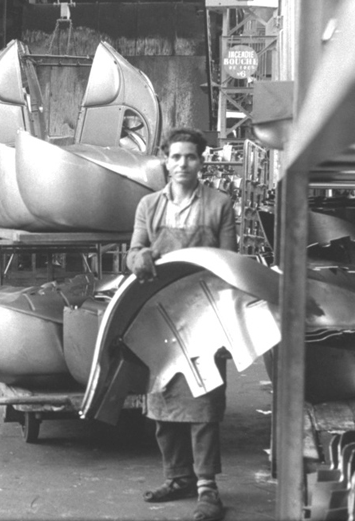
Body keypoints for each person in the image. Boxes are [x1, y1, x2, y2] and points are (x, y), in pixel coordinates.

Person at [126, 127, 237, 521]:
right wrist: (138, 258)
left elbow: (230, 263)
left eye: (190, 156)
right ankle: (178, 479)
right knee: (162, 401)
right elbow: (134, 250)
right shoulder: (148, 206)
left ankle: (208, 489)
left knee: (204, 404)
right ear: (166, 161)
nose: (182, 163)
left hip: (206, 313)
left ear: (201, 161)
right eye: (175, 156)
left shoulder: (220, 204)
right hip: (160, 314)